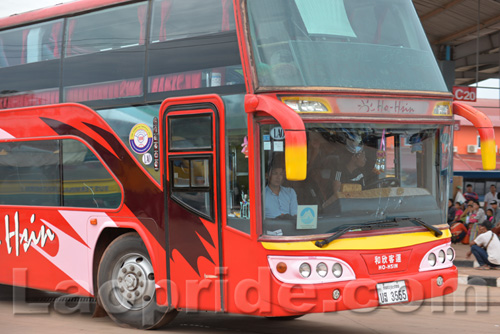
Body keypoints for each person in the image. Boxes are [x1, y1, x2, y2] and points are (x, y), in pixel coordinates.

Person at [322, 134, 366, 209]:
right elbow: (337, 195)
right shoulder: (339, 172)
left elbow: (363, 195)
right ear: (354, 158)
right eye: (363, 156)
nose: (365, 159)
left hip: (356, 207)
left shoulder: (360, 175)